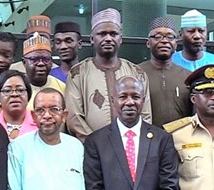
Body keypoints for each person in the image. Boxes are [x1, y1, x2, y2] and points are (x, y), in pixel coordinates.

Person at [65, 8, 152, 141]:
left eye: (113, 34)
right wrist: (96, 145)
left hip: (131, 146)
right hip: (91, 148)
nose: (108, 39)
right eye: (102, 34)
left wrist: (134, 142)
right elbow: (74, 118)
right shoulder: (78, 73)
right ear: (92, 39)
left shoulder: (137, 73)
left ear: (120, 39)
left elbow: (145, 115)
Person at [137, 16, 192, 127]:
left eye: (170, 37)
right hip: (146, 136)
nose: (164, 41)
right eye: (157, 37)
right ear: (148, 43)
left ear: (176, 44)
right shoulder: (136, 74)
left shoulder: (188, 77)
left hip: (181, 136)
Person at [21, 32, 66, 109]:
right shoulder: (17, 88)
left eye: (46, 59)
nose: (41, 63)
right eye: (34, 59)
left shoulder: (62, 87)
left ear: (51, 62)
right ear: (24, 62)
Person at [0, 70, 37, 140]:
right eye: (7, 91)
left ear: (28, 96)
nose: (14, 94)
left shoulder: (39, 123)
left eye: (20, 90)